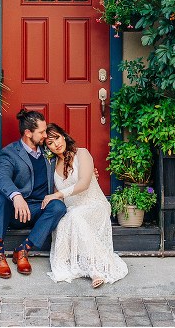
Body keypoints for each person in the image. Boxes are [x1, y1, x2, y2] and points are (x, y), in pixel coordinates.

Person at [42, 123, 128, 288]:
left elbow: (84, 184)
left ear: (63, 135)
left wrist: (58, 194)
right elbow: (57, 197)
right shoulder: (52, 166)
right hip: (72, 209)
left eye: (57, 138)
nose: (56, 144)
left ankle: (95, 270)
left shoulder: (82, 154)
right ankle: (75, 264)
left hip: (95, 205)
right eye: (50, 143)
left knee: (74, 216)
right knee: (64, 220)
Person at [0, 109, 66, 279]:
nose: (46, 135)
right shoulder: (10, 152)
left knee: (58, 206)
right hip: (18, 212)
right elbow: (1, 177)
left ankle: (23, 250)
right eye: (41, 132)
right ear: (27, 133)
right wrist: (16, 196)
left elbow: (68, 161)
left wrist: (88, 173)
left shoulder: (48, 152)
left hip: (39, 209)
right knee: (3, 197)